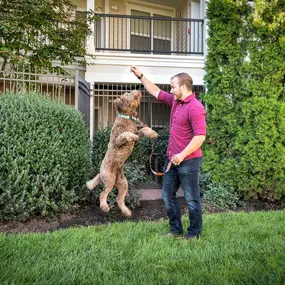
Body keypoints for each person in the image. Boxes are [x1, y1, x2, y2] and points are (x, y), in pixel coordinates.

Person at [130, 66, 206, 240]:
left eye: (173, 87)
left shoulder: (195, 107)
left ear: (184, 87)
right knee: (167, 195)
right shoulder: (175, 101)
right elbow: (155, 91)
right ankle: (175, 229)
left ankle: (194, 234)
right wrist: (140, 76)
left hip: (189, 161)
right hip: (172, 160)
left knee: (192, 199)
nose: (170, 90)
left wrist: (182, 154)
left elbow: (200, 137)